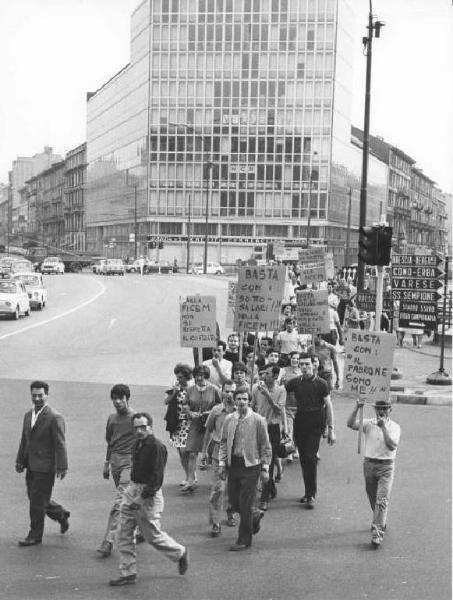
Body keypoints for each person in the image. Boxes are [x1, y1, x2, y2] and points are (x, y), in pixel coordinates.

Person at [109, 412, 188, 586]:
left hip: (148, 493)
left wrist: (140, 498)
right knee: (123, 531)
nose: (139, 430)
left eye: (143, 427)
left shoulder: (157, 447)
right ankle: (128, 573)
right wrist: (131, 492)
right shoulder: (137, 443)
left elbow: (157, 479)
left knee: (152, 536)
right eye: (136, 427)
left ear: (150, 427)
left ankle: (180, 553)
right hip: (133, 488)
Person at [16, 380, 70, 546]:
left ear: (47, 395)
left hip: (46, 467)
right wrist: (20, 460)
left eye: (40, 395)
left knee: (37, 502)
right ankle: (60, 514)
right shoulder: (28, 415)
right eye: (34, 395)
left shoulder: (54, 417)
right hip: (31, 465)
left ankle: (35, 535)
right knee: (36, 498)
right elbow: (25, 440)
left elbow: (60, 443)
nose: (37, 398)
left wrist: (62, 466)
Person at [219, 389, 272, 551]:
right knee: (234, 502)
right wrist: (222, 464)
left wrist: (265, 468)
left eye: (244, 399)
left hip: (251, 465)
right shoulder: (229, 419)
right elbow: (223, 442)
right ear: (234, 401)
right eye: (239, 399)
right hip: (234, 464)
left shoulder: (258, 420)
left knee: (245, 501)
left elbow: (265, 446)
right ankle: (254, 514)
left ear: (249, 401)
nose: (241, 402)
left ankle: (244, 539)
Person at [346, 398, 401, 548]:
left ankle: (377, 533)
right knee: (373, 498)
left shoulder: (395, 427)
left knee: (381, 500)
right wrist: (357, 407)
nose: (381, 412)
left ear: (390, 409)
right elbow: (350, 424)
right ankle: (380, 519)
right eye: (378, 409)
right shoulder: (368, 423)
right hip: (369, 465)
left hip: (386, 467)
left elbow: (391, 446)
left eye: (384, 408)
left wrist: (383, 428)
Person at [285, 356, 336, 508]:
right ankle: (308, 492)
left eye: (307, 364)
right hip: (301, 421)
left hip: (316, 422)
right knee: (303, 459)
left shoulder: (321, 383)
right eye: (302, 364)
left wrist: (331, 429)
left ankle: (311, 495)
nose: (304, 367)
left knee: (310, 457)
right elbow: (282, 394)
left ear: (314, 365)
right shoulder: (295, 382)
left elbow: (329, 406)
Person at [96, 384, 137, 558]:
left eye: (121, 398)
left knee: (119, 502)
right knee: (128, 501)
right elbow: (110, 442)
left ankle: (108, 541)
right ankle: (139, 528)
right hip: (115, 462)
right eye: (114, 398)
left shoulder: (135, 418)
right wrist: (106, 463)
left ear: (127, 399)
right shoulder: (112, 419)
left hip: (130, 462)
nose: (117, 402)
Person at [201, 380, 237, 537]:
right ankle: (215, 522)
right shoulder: (216, 410)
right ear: (221, 391)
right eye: (226, 391)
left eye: (232, 391)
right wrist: (204, 452)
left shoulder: (241, 410)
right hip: (218, 452)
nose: (229, 394)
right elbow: (208, 431)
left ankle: (231, 512)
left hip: (236, 453)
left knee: (234, 488)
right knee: (218, 488)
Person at [251, 365, 287, 511]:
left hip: (272, 429)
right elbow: (252, 406)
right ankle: (270, 487)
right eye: (264, 373)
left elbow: (279, 410)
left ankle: (264, 498)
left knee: (269, 463)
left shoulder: (281, 390)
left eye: (268, 374)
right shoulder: (255, 389)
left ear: (275, 376)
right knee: (259, 462)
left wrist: (267, 395)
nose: (264, 376)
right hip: (258, 426)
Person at [184, 365, 221, 492]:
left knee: (213, 454)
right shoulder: (190, 389)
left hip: (211, 425)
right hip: (196, 424)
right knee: (192, 453)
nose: (199, 378)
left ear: (206, 376)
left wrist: (210, 413)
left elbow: (220, 405)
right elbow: (186, 405)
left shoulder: (214, 389)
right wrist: (190, 413)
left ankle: (216, 481)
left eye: (202, 375)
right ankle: (190, 481)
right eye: (196, 375)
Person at [165, 364, 194, 487]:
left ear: (187, 377)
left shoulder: (192, 388)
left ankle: (191, 476)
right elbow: (166, 401)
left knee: (186, 451)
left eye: (181, 377)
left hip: (189, 423)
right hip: (177, 423)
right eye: (177, 377)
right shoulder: (175, 387)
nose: (178, 379)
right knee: (180, 452)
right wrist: (174, 392)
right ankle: (188, 475)